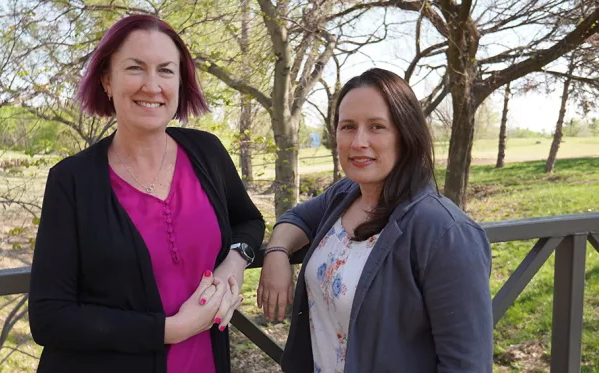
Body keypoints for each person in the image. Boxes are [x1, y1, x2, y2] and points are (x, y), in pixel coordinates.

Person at [28, 14, 265, 373]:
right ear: (107, 80)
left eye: (166, 71)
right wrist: (172, 329)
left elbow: (248, 220)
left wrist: (232, 266)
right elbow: (49, 317)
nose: (152, 86)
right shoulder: (72, 180)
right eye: (136, 68)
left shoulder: (207, 153)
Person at [257, 68, 493, 373]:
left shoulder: (445, 233)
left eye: (377, 126)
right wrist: (277, 253)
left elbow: (467, 365)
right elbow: (297, 217)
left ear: (406, 135)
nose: (358, 142)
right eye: (348, 126)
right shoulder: (345, 194)